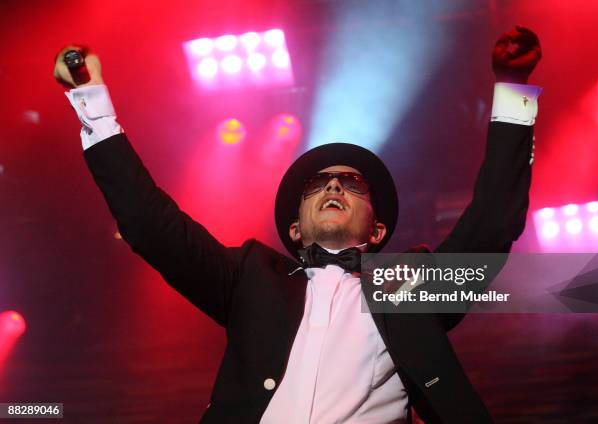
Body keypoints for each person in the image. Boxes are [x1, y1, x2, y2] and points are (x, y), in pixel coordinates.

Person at [54, 26, 542, 423]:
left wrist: (513, 87)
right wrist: (91, 101)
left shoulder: (409, 288)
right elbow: (148, 222)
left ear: (376, 230)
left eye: (351, 183)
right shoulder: (250, 278)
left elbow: (492, 220)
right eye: (317, 185)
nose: (333, 188)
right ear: (294, 230)